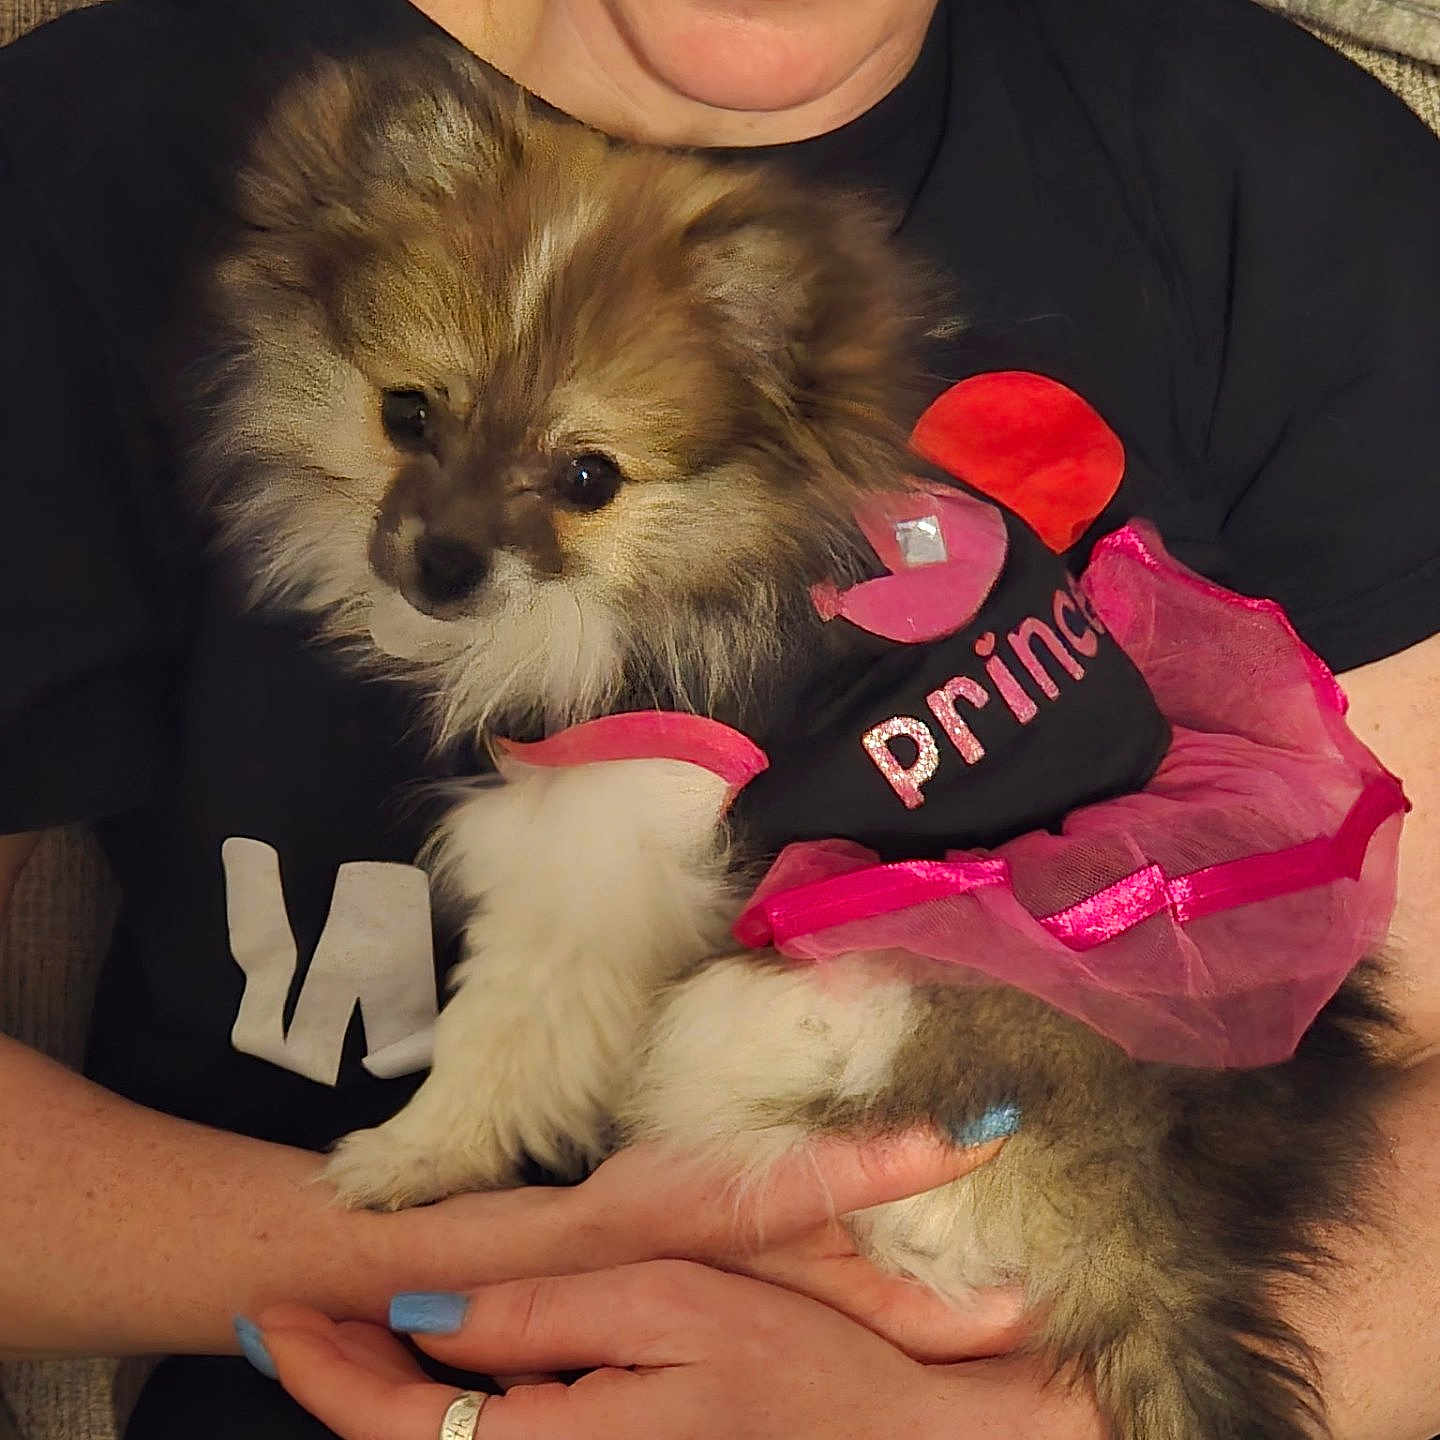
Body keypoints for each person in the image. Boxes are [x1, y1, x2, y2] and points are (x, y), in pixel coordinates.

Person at [1, 0, 1437, 1436]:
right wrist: (461, 1268)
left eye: (585, 482)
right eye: (415, 419)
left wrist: (1011, 1426)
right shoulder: (93, 146)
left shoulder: (1264, 167)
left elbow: (1404, 1049)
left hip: (1023, 1211)